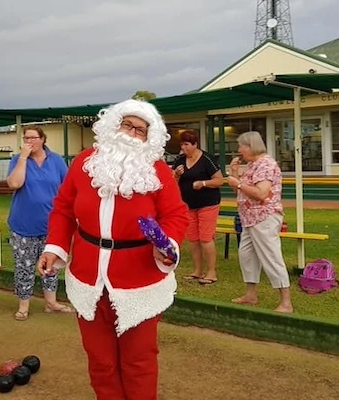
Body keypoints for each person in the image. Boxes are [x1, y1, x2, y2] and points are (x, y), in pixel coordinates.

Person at [36, 99, 189, 400]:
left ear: (150, 138)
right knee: (101, 361)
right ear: (112, 126)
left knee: (139, 361)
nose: (131, 133)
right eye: (126, 124)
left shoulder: (157, 171)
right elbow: (64, 209)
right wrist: (55, 246)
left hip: (139, 280)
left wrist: (167, 244)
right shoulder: (84, 163)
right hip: (87, 275)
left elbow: (176, 215)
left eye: (141, 130)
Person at [6, 125, 73, 321]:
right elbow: (15, 184)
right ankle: (23, 305)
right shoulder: (17, 160)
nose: (29, 141)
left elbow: (68, 187)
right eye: (26, 138)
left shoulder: (56, 160)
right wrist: (23, 159)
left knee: (50, 266)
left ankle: (51, 303)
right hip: (23, 224)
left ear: (43, 139)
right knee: (24, 266)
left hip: (52, 225)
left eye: (33, 138)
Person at [226, 131, 293, 313]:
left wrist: (238, 183)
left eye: (241, 146)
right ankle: (251, 294)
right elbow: (242, 193)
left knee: (271, 256)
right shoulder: (252, 165)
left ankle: (286, 302)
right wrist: (235, 174)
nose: (239, 150)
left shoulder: (266, 164)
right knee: (246, 255)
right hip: (249, 218)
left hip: (264, 216)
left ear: (250, 146)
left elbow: (261, 193)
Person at [172, 131, 225, 285]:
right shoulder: (180, 160)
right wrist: (176, 175)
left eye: (186, 145)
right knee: (193, 239)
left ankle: (211, 272)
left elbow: (219, 180)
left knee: (206, 238)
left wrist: (203, 183)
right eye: (182, 145)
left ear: (195, 144)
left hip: (208, 203)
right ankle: (197, 271)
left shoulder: (207, 159)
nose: (184, 148)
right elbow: (172, 182)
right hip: (188, 205)